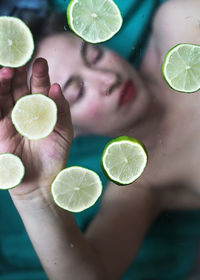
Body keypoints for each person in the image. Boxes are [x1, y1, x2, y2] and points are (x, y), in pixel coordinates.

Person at [1, 0, 200, 279]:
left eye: (94, 55)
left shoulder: (179, 28)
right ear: (73, 127)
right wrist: (34, 197)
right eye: (78, 91)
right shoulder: (141, 182)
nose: (107, 79)